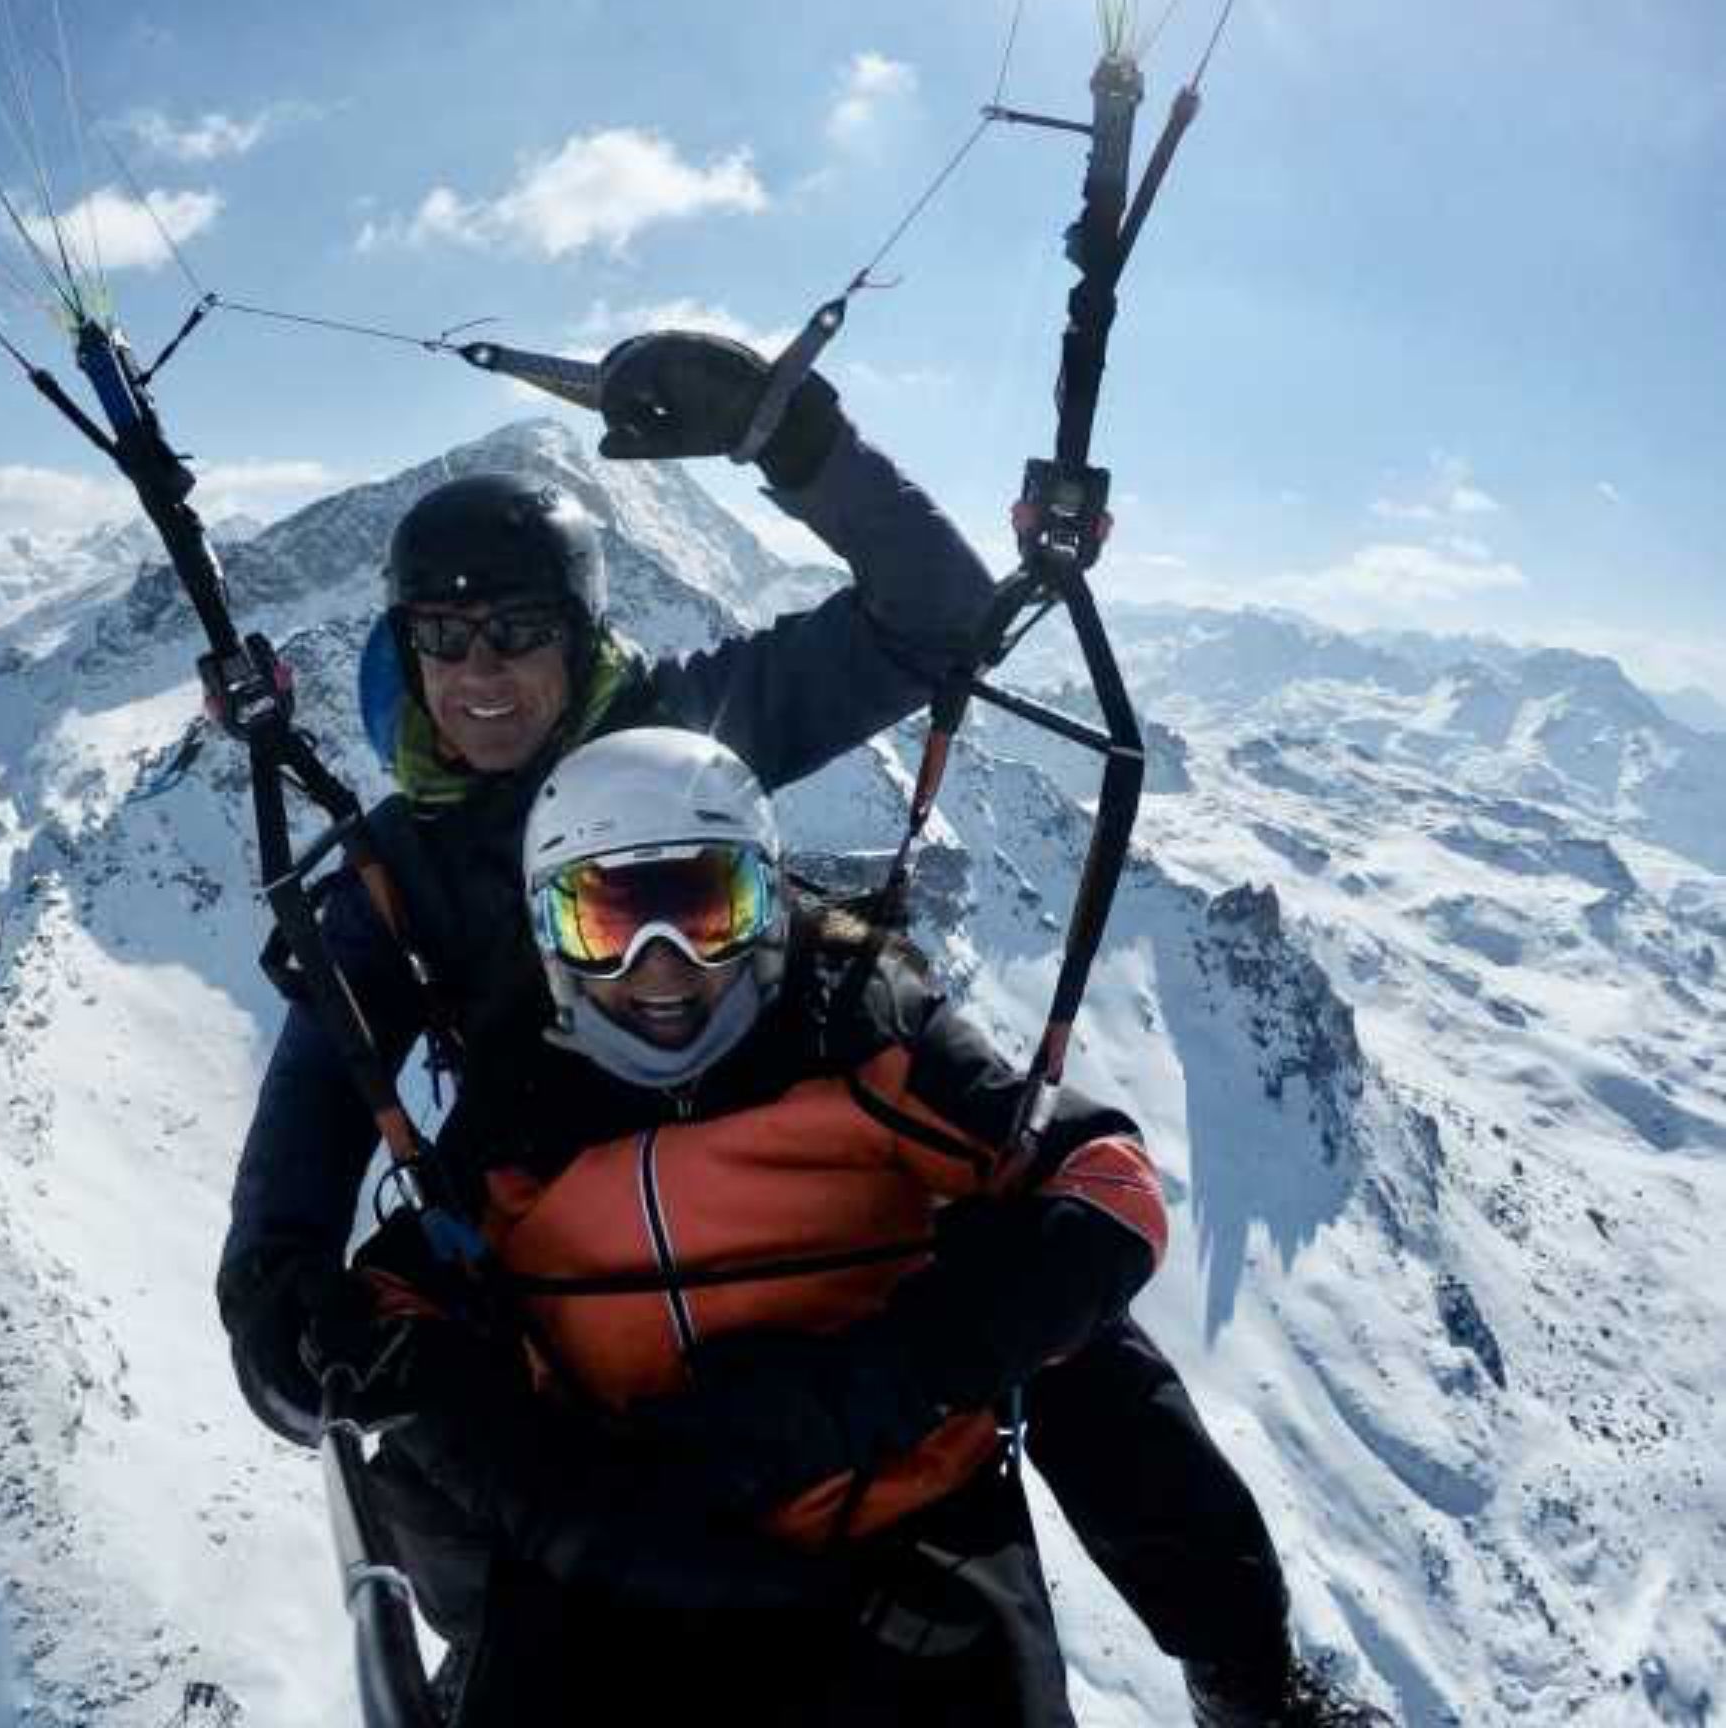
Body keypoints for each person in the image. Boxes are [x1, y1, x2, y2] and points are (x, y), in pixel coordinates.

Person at [213, 332, 1361, 1723]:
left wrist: (796, 442)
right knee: (452, 1426)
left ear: (582, 638)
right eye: (444, 639)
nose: (482, 672)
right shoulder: (400, 875)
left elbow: (936, 617)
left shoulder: (689, 730)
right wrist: (278, 1282)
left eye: (518, 628)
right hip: (561, 1187)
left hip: (789, 1126)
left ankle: (1246, 1675)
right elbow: (320, 1097)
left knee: (1062, 1325)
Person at [355, 725, 1168, 1724]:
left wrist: (859, 1390)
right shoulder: (523, 1106)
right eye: (606, 922)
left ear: (770, 906)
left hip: (902, 1531)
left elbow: (1108, 1186)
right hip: (631, 1562)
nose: (662, 969)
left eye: (705, 909)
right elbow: (391, 1304)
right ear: (547, 935)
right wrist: (559, 1503)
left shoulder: (858, 1032)